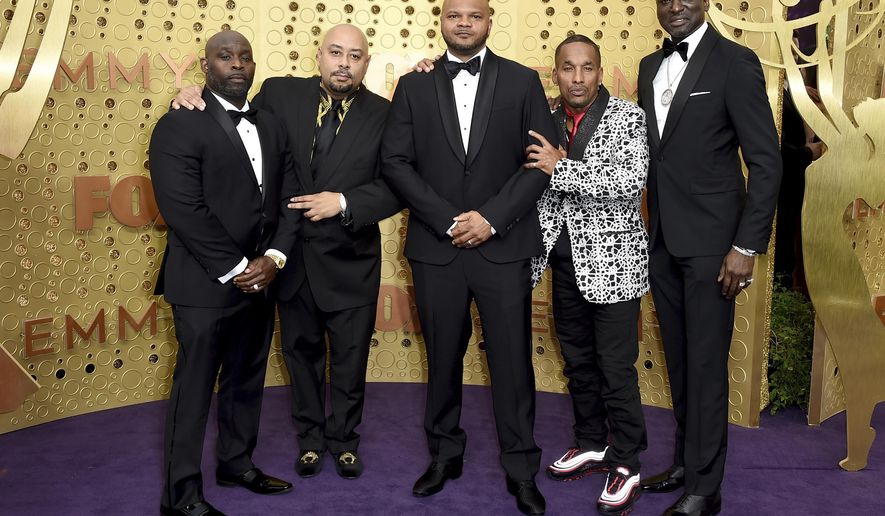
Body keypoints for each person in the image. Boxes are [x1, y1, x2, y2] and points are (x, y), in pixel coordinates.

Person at [172, 24, 400, 480]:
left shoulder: (387, 114)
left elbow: (398, 182)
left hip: (350, 261)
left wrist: (346, 202)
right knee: (301, 356)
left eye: (355, 56)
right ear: (319, 56)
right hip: (287, 261)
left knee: (351, 360)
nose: (344, 63)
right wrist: (189, 92)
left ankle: (345, 440)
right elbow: (229, 112)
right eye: (336, 53)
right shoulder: (277, 93)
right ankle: (312, 440)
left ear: (366, 64)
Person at [380, 0, 558, 514]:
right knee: (442, 358)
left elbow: (541, 163)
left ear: (488, 21)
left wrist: (491, 219)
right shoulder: (414, 85)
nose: (464, 23)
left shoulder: (523, 81)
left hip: (502, 246)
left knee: (511, 361)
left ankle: (521, 467)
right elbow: (396, 160)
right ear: (442, 20)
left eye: (474, 16)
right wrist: (449, 219)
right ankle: (444, 454)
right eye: (455, 15)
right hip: (438, 247)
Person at [636, 1, 782, 515]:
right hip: (663, 242)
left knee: (706, 365)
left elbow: (766, 161)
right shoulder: (649, 66)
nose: (675, 4)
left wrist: (745, 246)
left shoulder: (735, 61)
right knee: (680, 361)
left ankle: (706, 488)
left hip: (716, 248)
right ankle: (684, 464)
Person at [150, 31, 300, 516]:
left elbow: (289, 198)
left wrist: (273, 259)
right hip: (203, 284)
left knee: (245, 380)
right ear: (206, 65)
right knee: (194, 389)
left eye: (244, 56)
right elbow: (183, 209)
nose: (237, 64)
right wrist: (239, 269)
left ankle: (237, 463)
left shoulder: (273, 123)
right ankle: (182, 496)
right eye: (225, 56)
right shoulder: (178, 124)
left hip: (262, 280)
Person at [525, 34, 649, 516]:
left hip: (615, 264)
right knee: (577, 360)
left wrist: (561, 167)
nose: (577, 77)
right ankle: (592, 441)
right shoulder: (545, 119)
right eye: (568, 68)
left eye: (587, 68)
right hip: (562, 261)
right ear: (554, 73)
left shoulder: (627, 116)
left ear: (600, 72)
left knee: (615, 367)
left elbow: (628, 181)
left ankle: (628, 461)